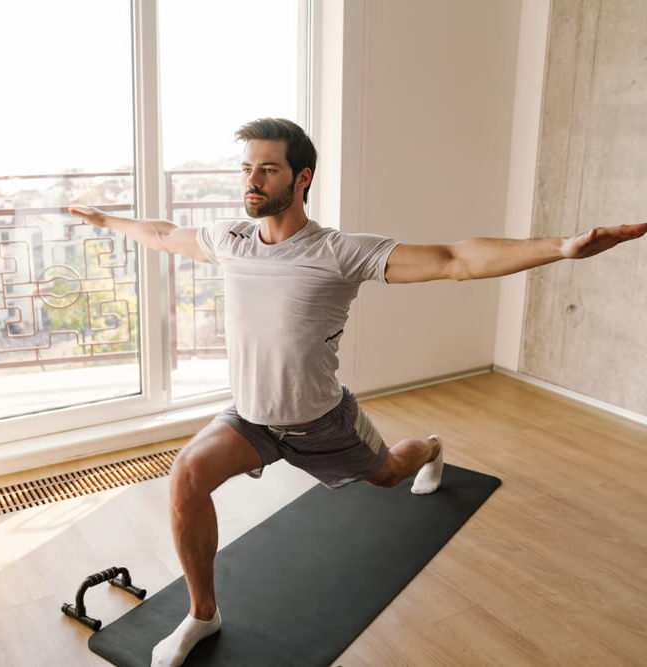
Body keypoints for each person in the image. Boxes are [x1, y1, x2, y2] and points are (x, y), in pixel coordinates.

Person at [69, 118, 646, 667]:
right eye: (246, 168)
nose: (251, 180)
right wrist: (104, 221)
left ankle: (433, 446)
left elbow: (454, 260)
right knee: (187, 476)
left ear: (302, 179)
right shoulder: (230, 239)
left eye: (267, 169)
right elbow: (165, 234)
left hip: (323, 423)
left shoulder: (339, 251)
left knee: (390, 474)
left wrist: (560, 247)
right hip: (250, 419)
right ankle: (203, 615)